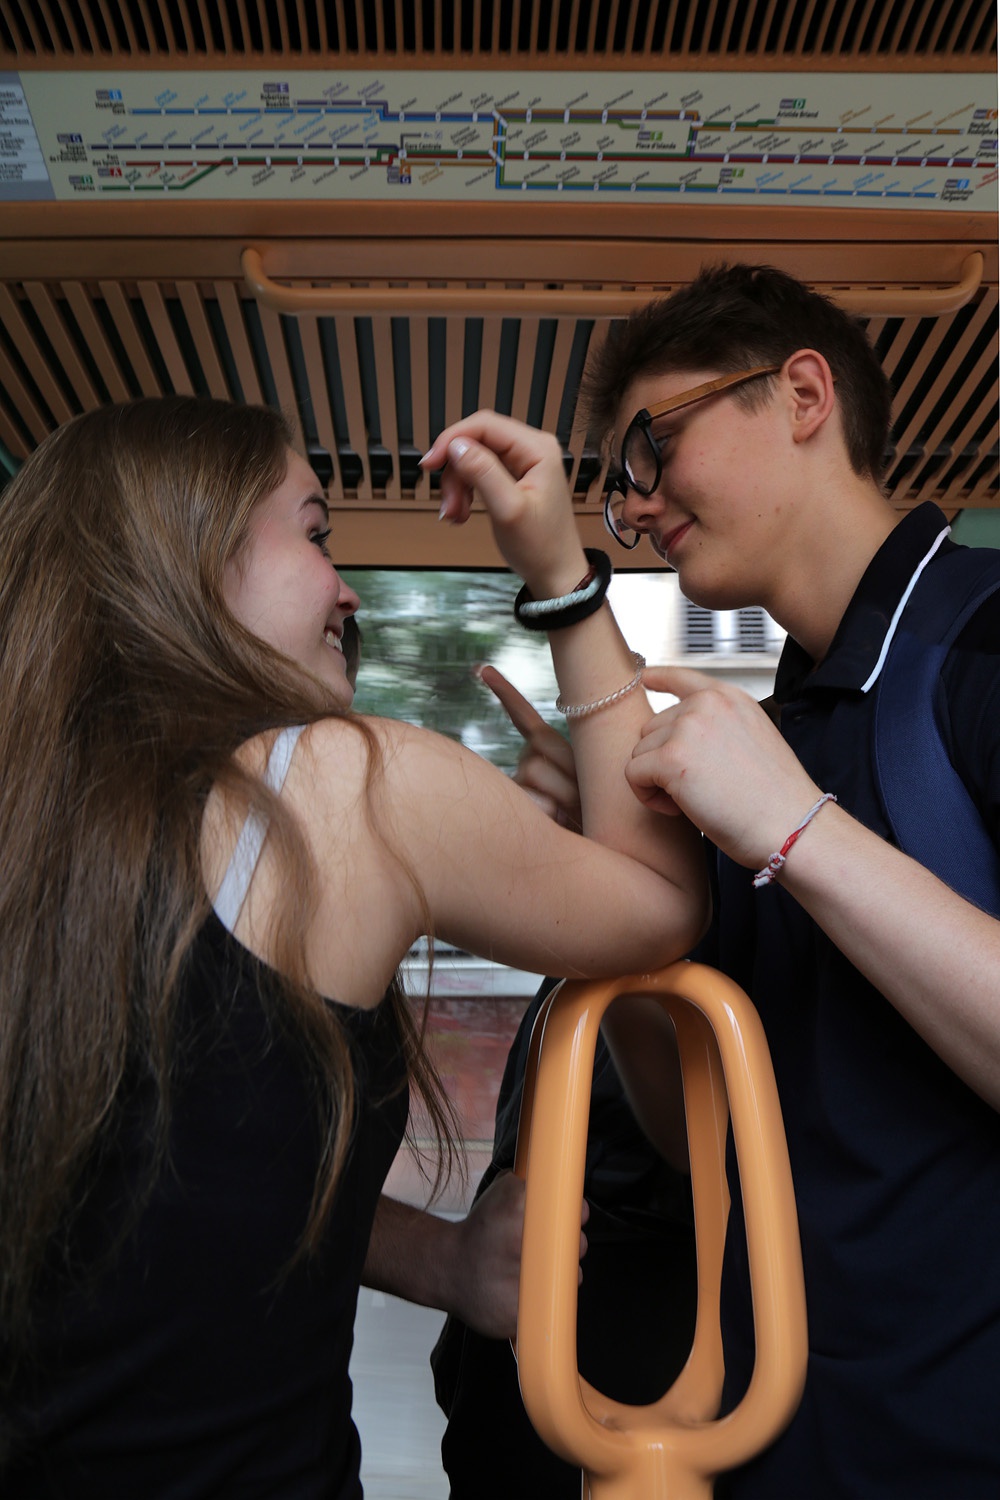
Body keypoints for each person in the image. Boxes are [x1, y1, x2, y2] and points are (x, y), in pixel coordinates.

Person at [0, 396, 709, 1496]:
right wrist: (562, 579)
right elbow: (661, 900)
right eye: (315, 530)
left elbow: (174, 1195)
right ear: (184, 544)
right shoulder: (335, 785)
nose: (346, 587)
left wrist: (447, 1261)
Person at [420, 262, 1000, 1497]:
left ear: (800, 395)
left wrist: (797, 829)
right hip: (780, 1427)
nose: (632, 506)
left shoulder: (978, 650)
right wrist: (607, 909)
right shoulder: (779, 727)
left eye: (650, 445)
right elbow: (708, 1142)